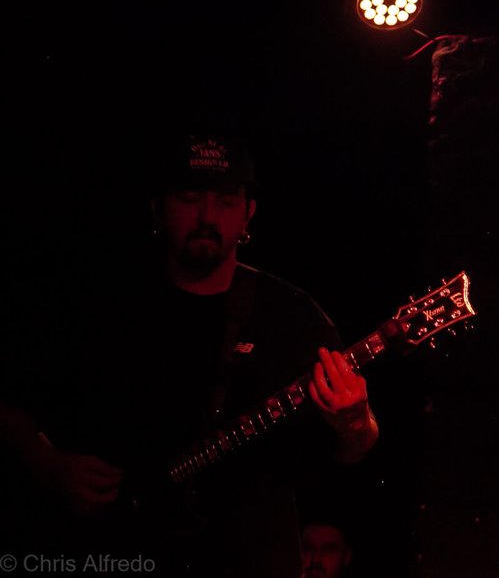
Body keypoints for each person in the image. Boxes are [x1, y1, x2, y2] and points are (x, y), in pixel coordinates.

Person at [0, 133, 380, 576]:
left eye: (225, 201)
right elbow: (11, 404)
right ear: (158, 207)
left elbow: (354, 449)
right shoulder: (98, 304)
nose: (207, 216)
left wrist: (357, 423)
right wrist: (48, 465)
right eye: (189, 197)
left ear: (248, 213)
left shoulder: (292, 315)